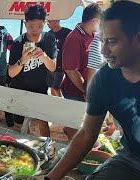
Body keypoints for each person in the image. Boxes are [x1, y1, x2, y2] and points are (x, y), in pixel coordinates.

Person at [47, 1, 140, 179]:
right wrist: (51, 177)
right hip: (131, 158)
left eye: (111, 41)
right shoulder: (104, 78)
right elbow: (87, 134)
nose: (104, 50)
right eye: (102, 40)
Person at [7, 5, 57, 135]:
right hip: (20, 89)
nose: (35, 30)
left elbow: (53, 67)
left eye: (39, 26)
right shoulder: (18, 43)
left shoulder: (49, 39)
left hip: (40, 89)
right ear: (25, 24)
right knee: (21, 126)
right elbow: (11, 73)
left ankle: (46, 148)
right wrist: (22, 60)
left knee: (43, 122)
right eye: (31, 26)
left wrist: (44, 55)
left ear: (45, 23)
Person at [61, 3, 102, 141]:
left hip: (87, 88)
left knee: (82, 123)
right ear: (95, 21)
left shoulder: (93, 35)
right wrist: (85, 90)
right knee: (75, 125)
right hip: (74, 90)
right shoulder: (74, 38)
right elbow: (71, 70)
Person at [46, 20, 71, 97]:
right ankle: (55, 105)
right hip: (50, 66)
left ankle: (61, 105)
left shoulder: (68, 33)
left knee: (56, 88)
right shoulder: (48, 34)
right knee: (52, 88)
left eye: (49, 21)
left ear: (57, 20)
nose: (47, 23)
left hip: (61, 66)